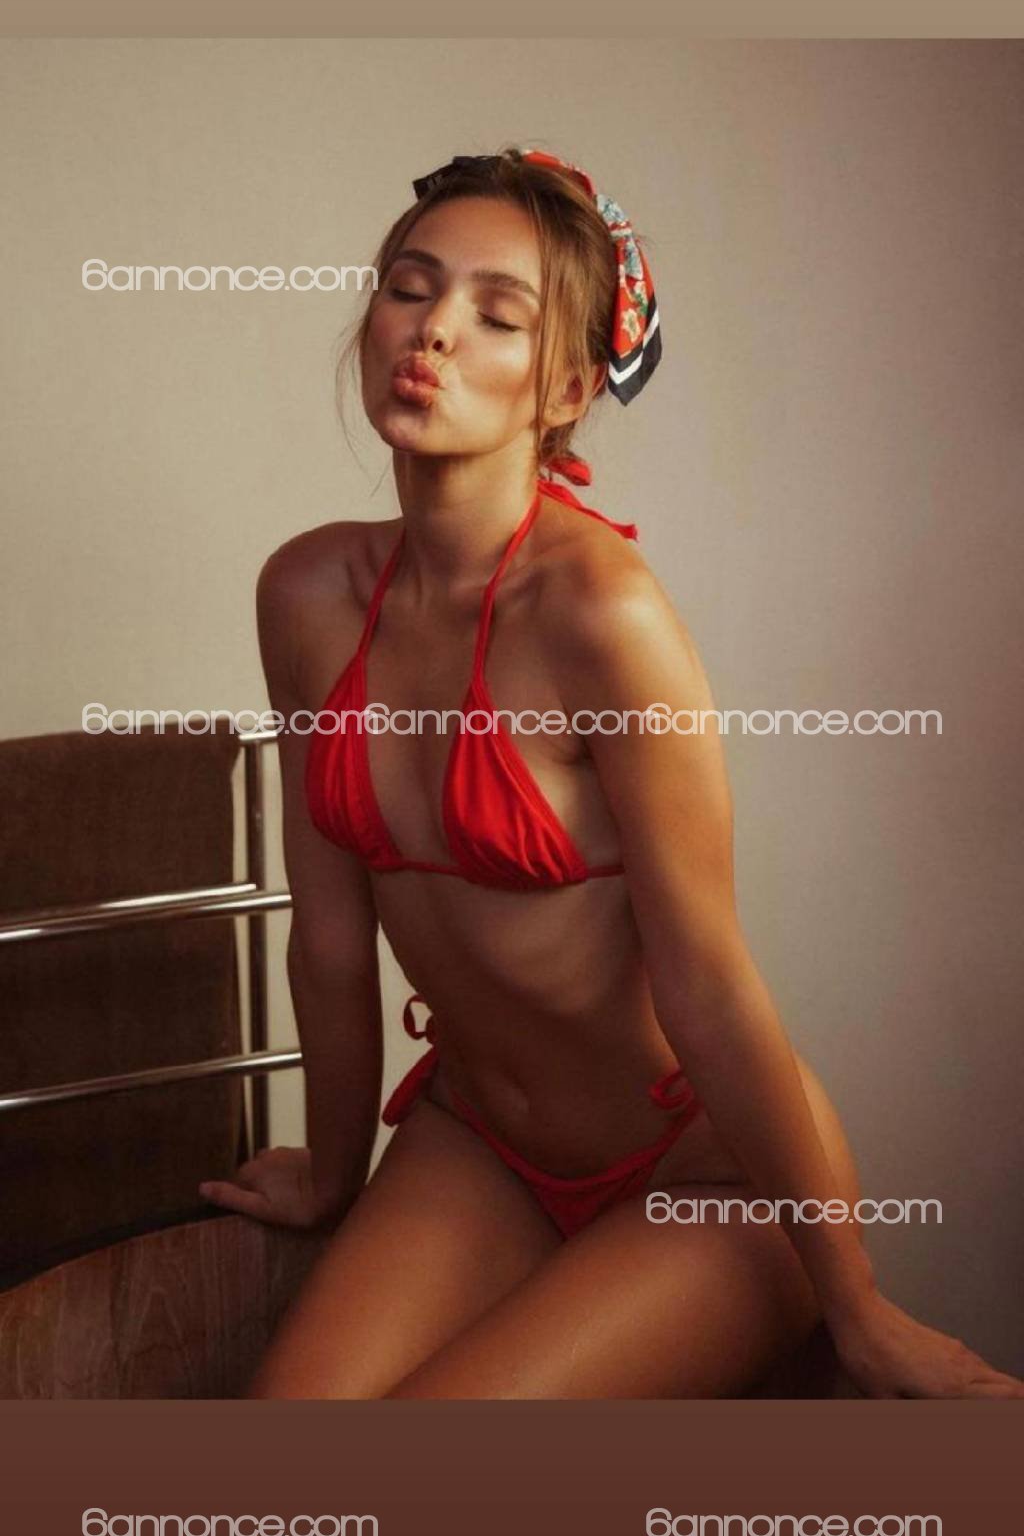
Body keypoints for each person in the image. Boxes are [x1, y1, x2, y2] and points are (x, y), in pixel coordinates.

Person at [199, 148, 1022, 1401]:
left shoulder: (601, 612)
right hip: (479, 1142)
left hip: (702, 1172)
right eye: (410, 288)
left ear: (570, 385)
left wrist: (859, 1310)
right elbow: (326, 933)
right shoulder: (304, 592)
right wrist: (329, 1169)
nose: (433, 330)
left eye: (498, 314)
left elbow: (708, 978)